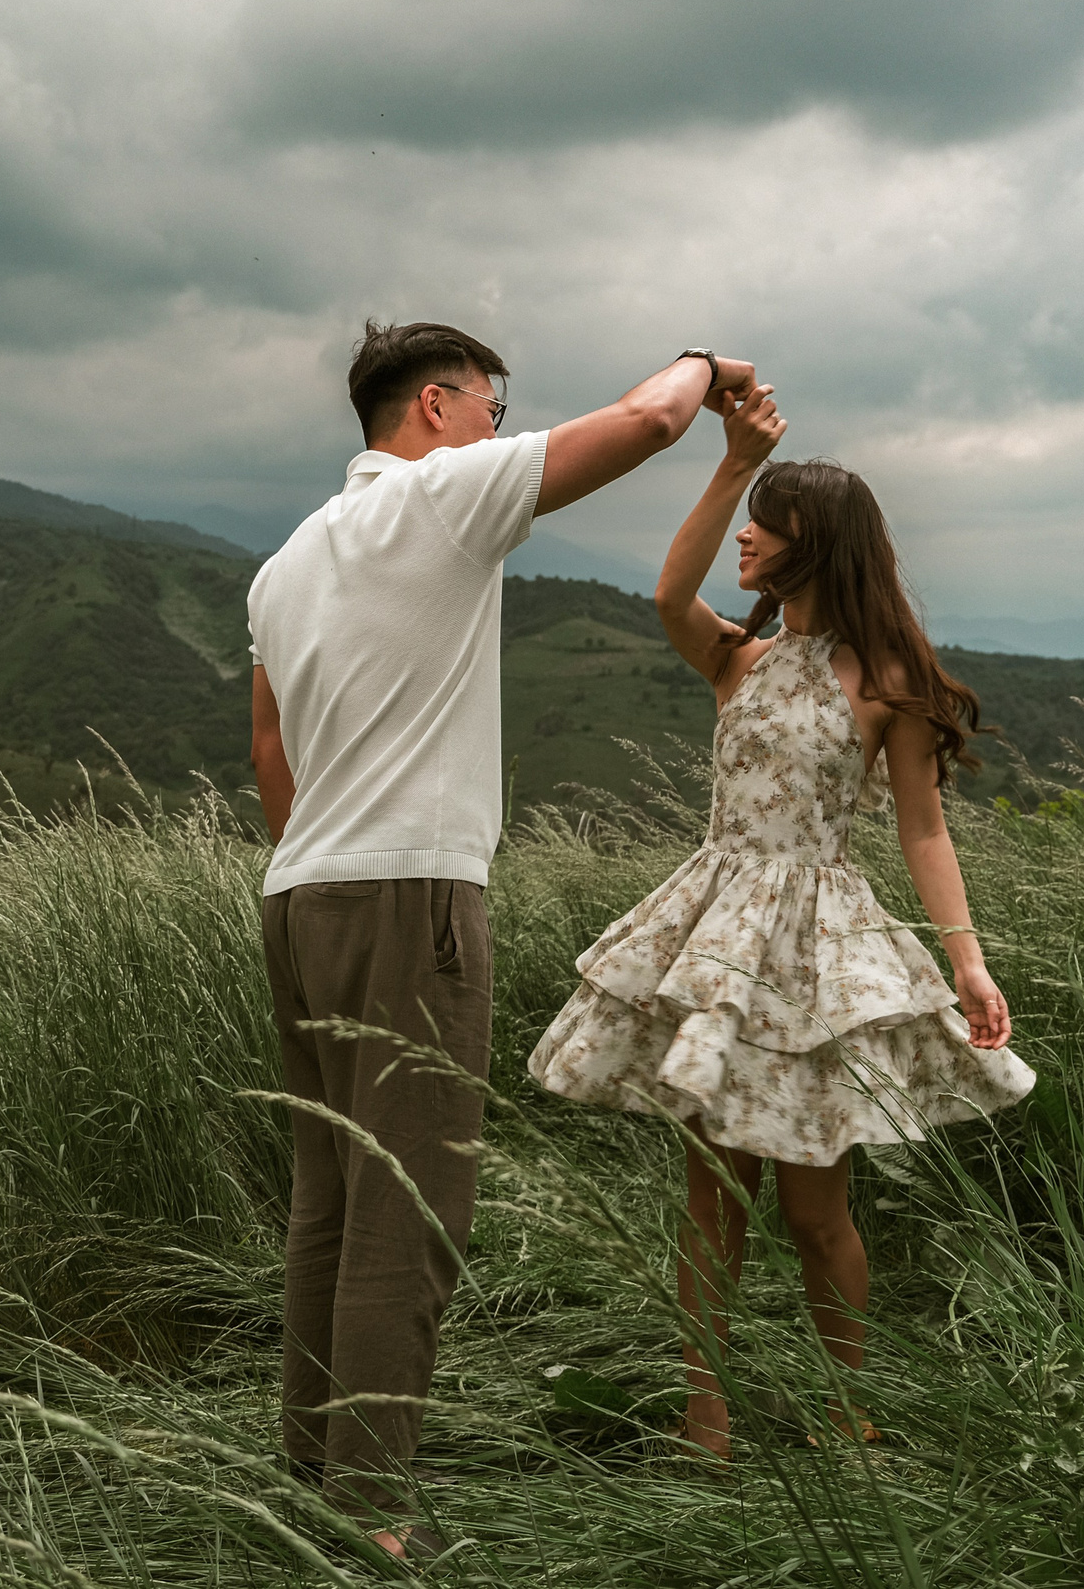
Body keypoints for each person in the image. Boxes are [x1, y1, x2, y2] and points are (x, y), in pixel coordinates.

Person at [249, 322, 756, 1558]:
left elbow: (269, 749)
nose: (497, 424)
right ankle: (373, 1517)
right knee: (407, 1208)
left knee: (329, 1199)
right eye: (490, 403)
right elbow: (647, 421)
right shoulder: (438, 499)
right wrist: (707, 361)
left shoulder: (285, 561)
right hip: (408, 891)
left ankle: (310, 1470)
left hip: (300, 892)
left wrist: (325, 855)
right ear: (434, 406)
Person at [528, 391, 1036, 1457]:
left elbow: (923, 827)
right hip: (717, 938)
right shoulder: (737, 658)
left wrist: (969, 965)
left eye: (766, 521)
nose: (746, 538)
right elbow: (670, 592)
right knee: (713, 1202)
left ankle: (846, 1418)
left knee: (815, 1214)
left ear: (820, 544)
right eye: (748, 517)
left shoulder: (888, 682)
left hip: (815, 953)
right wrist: (730, 466)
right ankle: (703, 1423)